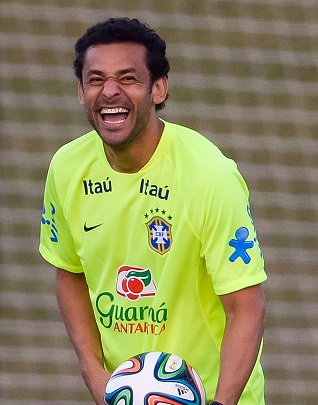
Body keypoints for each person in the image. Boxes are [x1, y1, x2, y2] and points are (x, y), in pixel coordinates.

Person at [39, 17, 266, 405]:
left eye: (127, 78)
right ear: (80, 91)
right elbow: (69, 271)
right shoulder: (66, 169)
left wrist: (222, 403)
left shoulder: (208, 176)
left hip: (215, 395)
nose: (109, 91)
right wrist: (93, 372)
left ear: (158, 88)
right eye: (96, 80)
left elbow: (247, 307)